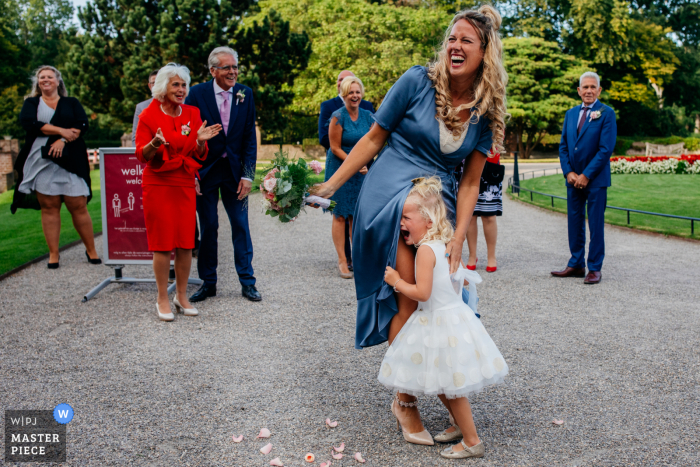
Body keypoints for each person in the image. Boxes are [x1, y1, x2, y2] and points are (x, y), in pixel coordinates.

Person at [312, 6, 507, 453]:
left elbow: (472, 181)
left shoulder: (486, 109)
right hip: (393, 191)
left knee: (437, 302)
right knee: (409, 296)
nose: (455, 46)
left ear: (485, 52)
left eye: (466, 41)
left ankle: (447, 398)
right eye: (451, 38)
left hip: (437, 202)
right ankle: (404, 399)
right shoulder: (417, 80)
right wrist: (331, 186)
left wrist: (458, 238)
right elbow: (375, 138)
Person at [378, 177, 508, 459]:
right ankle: (460, 426)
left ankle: (473, 441)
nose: (401, 223)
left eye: (406, 217)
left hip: (438, 320)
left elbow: (422, 293)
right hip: (453, 318)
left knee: (453, 387)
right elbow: (458, 283)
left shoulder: (425, 251)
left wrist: (397, 281)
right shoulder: (447, 245)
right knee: (443, 380)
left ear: (427, 220)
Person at [134, 63, 222, 321]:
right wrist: (154, 143)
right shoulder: (148, 115)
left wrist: (200, 142)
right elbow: (142, 155)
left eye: (184, 85)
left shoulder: (193, 114)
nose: (182, 89)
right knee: (162, 245)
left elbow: (197, 154)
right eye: (176, 84)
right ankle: (162, 297)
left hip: (183, 181)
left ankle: (181, 296)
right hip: (158, 183)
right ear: (163, 87)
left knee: (185, 243)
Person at [185, 46, 261, 302]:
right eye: (227, 67)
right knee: (209, 227)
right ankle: (208, 283)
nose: (233, 72)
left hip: (235, 173)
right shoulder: (197, 93)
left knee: (240, 226)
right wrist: (193, 174)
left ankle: (248, 282)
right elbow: (188, 135)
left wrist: (248, 175)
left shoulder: (245, 93)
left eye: (235, 67)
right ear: (213, 70)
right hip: (205, 171)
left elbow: (249, 137)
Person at [11, 65, 101, 268]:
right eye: (41, 77)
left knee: (78, 205)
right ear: (38, 82)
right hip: (41, 161)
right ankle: (53, 254)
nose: (45, 80)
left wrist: (63, 140)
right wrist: (61, 131)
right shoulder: (31, 103)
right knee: (49, 207)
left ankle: (91, 250)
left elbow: (82, 124)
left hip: (71, 160)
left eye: (49, 77)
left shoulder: (71, 102)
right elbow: (29, 124)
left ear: (58, 81)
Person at [551, 71, 616, 285]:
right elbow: (563, 146)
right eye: (585, 87)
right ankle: (576, 264)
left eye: (592, 87)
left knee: (595, 225)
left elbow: (605, 149)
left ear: (599, 90)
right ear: (579, 91)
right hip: (572, 180)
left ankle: (594, 268)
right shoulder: (570, 114)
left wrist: (586, 175)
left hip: (595, 180)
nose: (589, 90)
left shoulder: (606, 113)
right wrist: (569, 172)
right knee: (574, 222)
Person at [319, 70, 375, 272]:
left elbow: (374, 142)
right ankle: (342, 260)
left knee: (356, 216)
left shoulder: (369, 116)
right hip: (340, 168)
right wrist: (354, 162)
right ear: (343, 94)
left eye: (358, 92)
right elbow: (334, 147)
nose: (355, 96)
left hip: (360, 171)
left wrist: (365, 162)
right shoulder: (337, 117)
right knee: (340, 215)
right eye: (351, 92)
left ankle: (358, 259)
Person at [455, 148, 504, 272]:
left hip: (488, 166)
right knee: (469, 215)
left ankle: (491, 256)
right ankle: (472, 255)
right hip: (465, 166)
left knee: (489, 215)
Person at [132, 70, 159, 145]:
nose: (157, 85)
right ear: (149, 86)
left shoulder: (175, 105)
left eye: (159, 82)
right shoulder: (141, 107)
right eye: (154, 82)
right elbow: (136, 138)